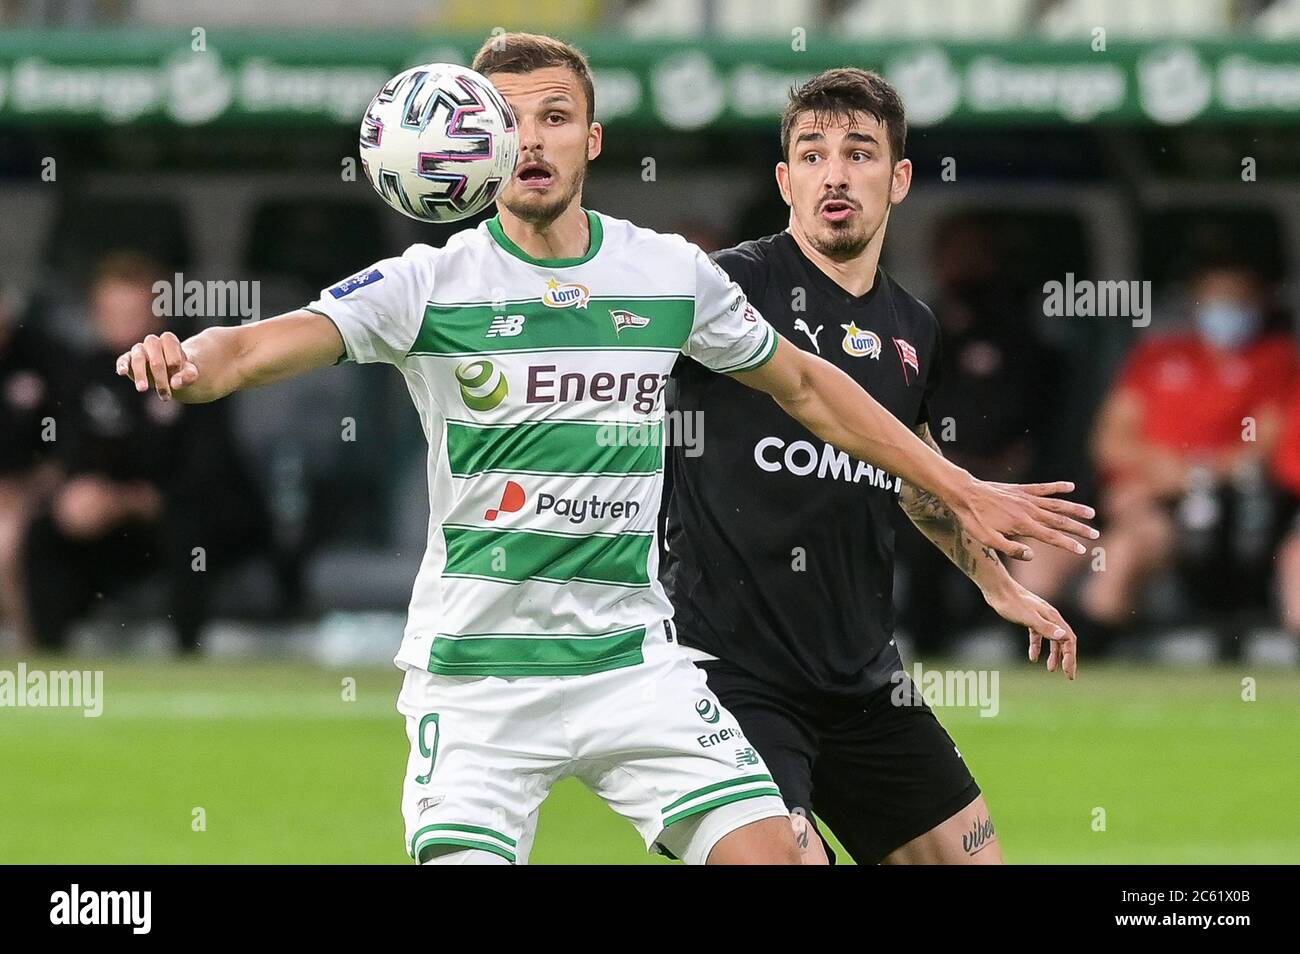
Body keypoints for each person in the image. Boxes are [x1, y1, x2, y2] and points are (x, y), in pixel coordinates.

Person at [115, 34, 1092, 866]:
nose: (529, 138)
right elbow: (249, 345)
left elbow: (805, 386)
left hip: (633, 669)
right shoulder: (433, 285)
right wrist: (185, 358)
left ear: (590, 140)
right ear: (478, 142)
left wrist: (961, 495)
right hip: (479, 679)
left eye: (552, 117)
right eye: (507, 117)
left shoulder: (663, 278)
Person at [663, 68, 1087, 865]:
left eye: (859, 153)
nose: (835, 172)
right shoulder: (730, 287)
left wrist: (999, 585)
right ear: (786, 180)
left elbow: (910, 476)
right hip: (728, 673)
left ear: (897, 180)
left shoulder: (912, 324)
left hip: (863, 680)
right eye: (814, 154)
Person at [24, 252, 265, 653]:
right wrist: (74, 496)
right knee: (45, 529)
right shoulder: (81, 376)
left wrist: (132, 501)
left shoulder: (192, 368)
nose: (121, 326)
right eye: (111, 314)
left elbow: (209, 471)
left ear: (158, 316)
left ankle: (187, 652)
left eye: (132, 314)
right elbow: (68, 457)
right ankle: (50, 653)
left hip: (189, 513)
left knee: (187, 528)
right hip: (116, 525)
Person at [0, 283, 61, 649]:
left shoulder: (44, 359)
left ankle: (30, 647)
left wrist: (29, 488)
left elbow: (65, 446)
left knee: (6, 543)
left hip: (31, 492)